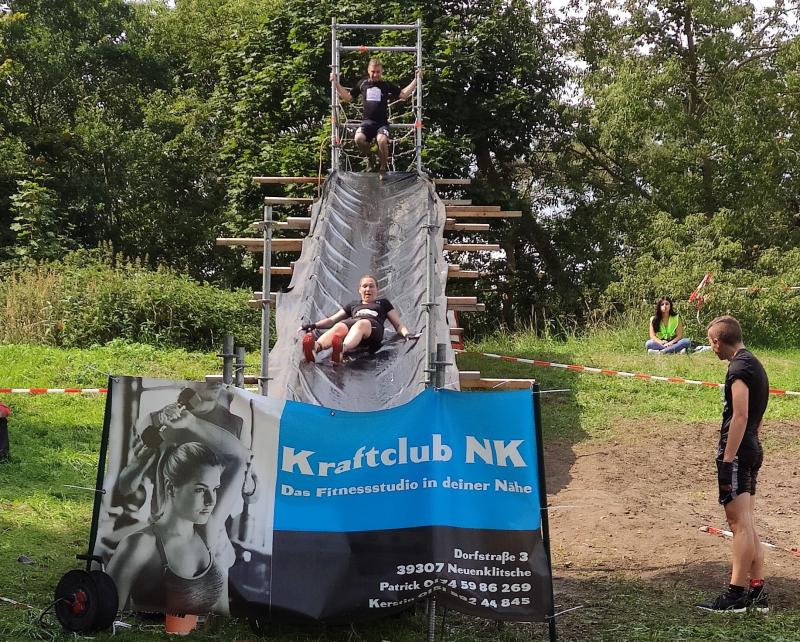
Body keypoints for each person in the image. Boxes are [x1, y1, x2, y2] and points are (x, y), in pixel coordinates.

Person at [107, 434, 250, 615]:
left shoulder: (208, 532)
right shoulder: (140, 545)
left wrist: (190, 421)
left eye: (215, 489)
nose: (211, 500)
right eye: (200, 490)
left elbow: (240, 457)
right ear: (170, 488)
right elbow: (105, 615)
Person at [697, 316, 769, 613]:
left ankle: (735, 595)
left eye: (711, 343)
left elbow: (740, 415)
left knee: (738, 524)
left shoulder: (738, 368)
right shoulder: (755, 364)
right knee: (747, 522)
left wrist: (728, 460)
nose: (713, 349)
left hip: (738, 451)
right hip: (751, 446)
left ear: (717, 341)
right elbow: (757, 415)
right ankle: (757, 591)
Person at [300, 274, 415, 364]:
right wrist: (314, 325)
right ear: (359, 290)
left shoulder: (383, 303)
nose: (368, 289)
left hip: (372, 328)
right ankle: (315, 347)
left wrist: (406, 334)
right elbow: (332, 320)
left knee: (362, 324)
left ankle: (341, 350)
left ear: (377, 289)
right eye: (364, 286)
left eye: (371, 286)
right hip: (354, 327)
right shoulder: (353, 304)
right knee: (340, 326)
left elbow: (398, 324)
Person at [331, 59, 421, 172]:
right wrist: (336, 83)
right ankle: (371, 157)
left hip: (381, 124)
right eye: (373, 72)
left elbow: (403, 95)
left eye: (378, 72)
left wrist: (416, 79)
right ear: (368, 71)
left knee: (382, 140)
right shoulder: (363, 84)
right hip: (367, 123)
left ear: (382, 72)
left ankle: (383, 167)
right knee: (358, 139)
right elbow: (348, 97)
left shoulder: (386, 85)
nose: (375, 75)